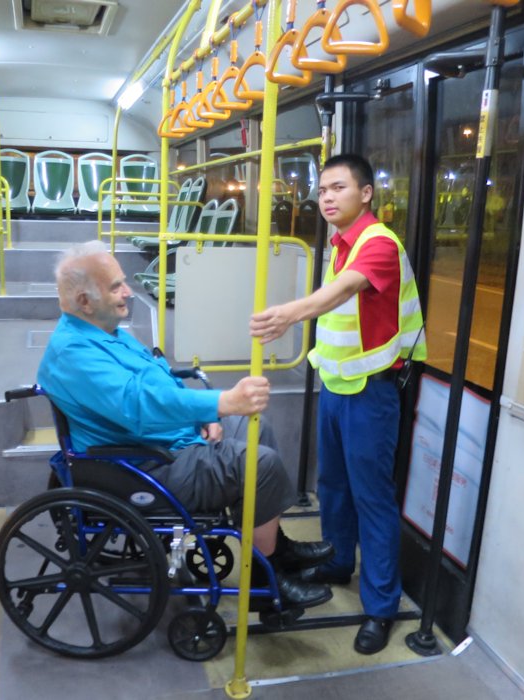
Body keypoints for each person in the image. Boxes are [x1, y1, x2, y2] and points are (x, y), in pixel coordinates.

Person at [37, 240, 335, 612]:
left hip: (166, 441)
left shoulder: (105, 333)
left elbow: (158, 378)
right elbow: (140, 403)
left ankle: (275, 547)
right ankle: (266, 576)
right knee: (261, 464)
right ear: (84, 301)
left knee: (257, 426)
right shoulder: (75, 354)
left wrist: (205, 415)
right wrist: (220, 402)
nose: (127, 291)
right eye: (115, 286)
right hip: (146, 464)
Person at [250, 154, 427, 654]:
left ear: (366, 193)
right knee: (331, 484)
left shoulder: (378, 244)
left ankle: (380, 606)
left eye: (339, 188)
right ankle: (336, 562)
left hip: (371, 391)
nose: (327, 197)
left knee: (372, 496)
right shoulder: (339, 242)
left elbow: (340, 294)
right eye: (323, 189)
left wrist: (287, 314)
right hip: (335, 382)